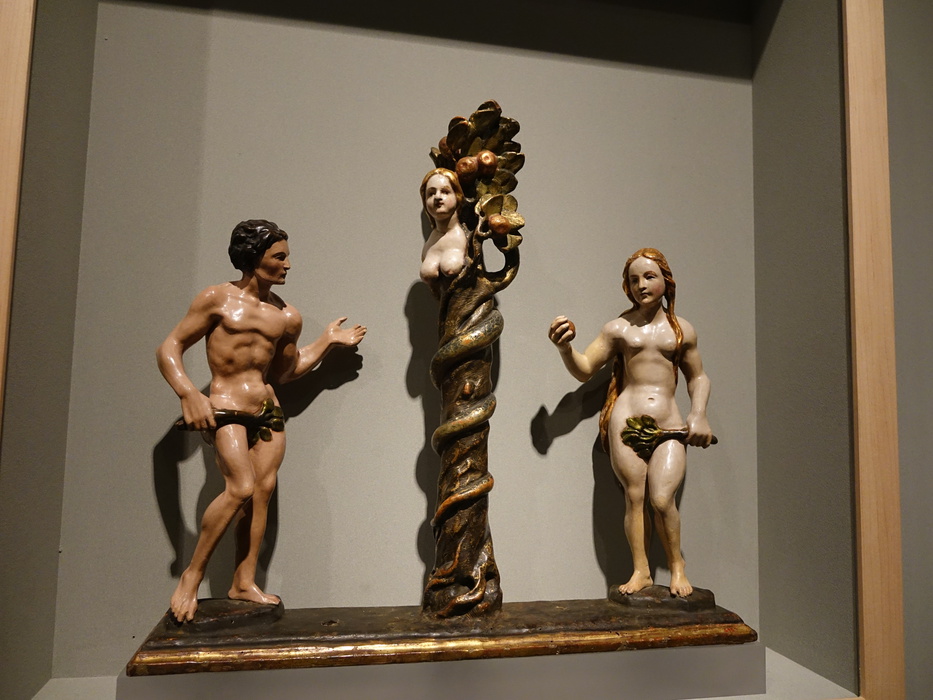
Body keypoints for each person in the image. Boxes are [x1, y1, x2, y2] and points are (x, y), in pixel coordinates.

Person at [156, 219, 366, 622]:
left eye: (287, 257)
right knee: (240, 487)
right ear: (254, 258)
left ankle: (243, 581)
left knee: (262, 491)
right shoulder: (216, 298)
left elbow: (286, 371)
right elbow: (170, 346)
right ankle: (191, 576)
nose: (288, 265)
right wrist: (189, 393)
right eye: (279, 256)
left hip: (266, 410)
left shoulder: (287, 316)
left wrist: (326, 342)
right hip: (226, 406)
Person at [548, 248, 712, 598]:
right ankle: (641, 570)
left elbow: (698, 378)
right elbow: (585, 368)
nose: (641, 285)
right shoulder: (619, 328)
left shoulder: (682, 330)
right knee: (634, 496)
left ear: (666, 281)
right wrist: (565, 349)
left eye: (649, 277)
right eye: (634, 279)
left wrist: (698, 414)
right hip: (626, 420)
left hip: (668, 423)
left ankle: (677, 567)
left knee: (662, 499)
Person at [419, 168, 468, 294]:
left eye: (445, 192)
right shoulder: (431, 242)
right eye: (431, 193)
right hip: (443, 305)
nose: (437, 197)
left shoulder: (468, 238)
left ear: (457, 196)